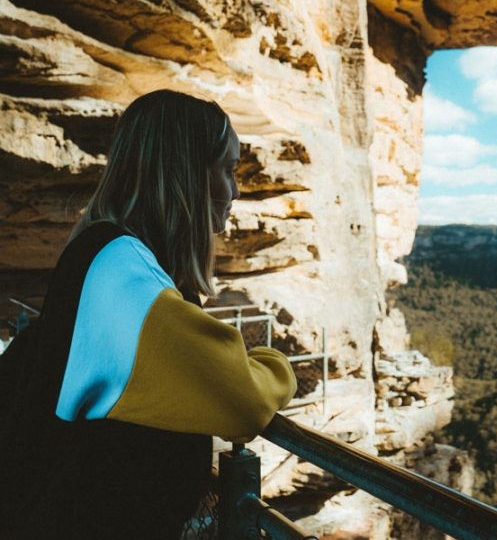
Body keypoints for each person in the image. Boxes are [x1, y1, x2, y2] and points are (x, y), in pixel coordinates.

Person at [0, 90, 297, 539]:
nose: (234, 191)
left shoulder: (109, 255)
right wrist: (276, 365)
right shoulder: (123, 272)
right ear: (187, 171)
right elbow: (243, 401)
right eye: (228, 170)